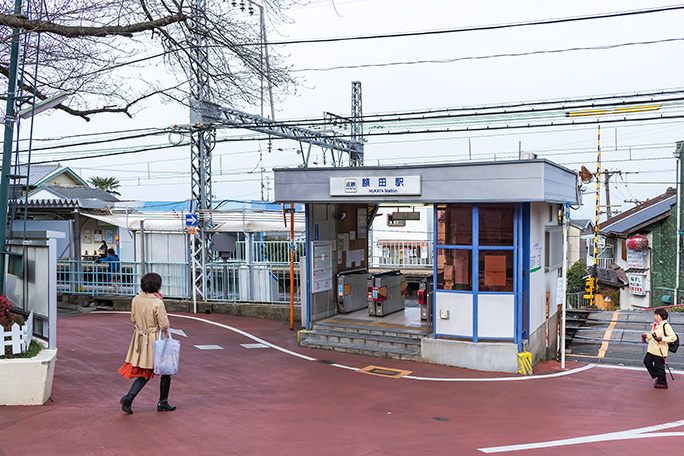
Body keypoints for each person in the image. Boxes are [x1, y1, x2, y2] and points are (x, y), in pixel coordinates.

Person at [118, 272, 177, 413]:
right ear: (157, 286)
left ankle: (130, 398)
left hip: (139, 337)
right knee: (164, 370)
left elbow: (133, 319)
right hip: (156, 337)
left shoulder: (136, 299)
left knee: (146, 371)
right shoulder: (157, 302)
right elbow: (163, 324)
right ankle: (160, 402)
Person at [642, 308, 677, 389]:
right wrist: (646, 336)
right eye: (655, 315)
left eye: (657, 315)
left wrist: (662, 339)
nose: (655, 317)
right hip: (652, 349)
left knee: (659, 367)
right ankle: (657, 376)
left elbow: (673, 337)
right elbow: (653, 335)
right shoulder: (656, 325)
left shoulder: (666, 326)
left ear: (662, 316)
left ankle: (663, 382)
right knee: (647, 362)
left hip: (660, 350)